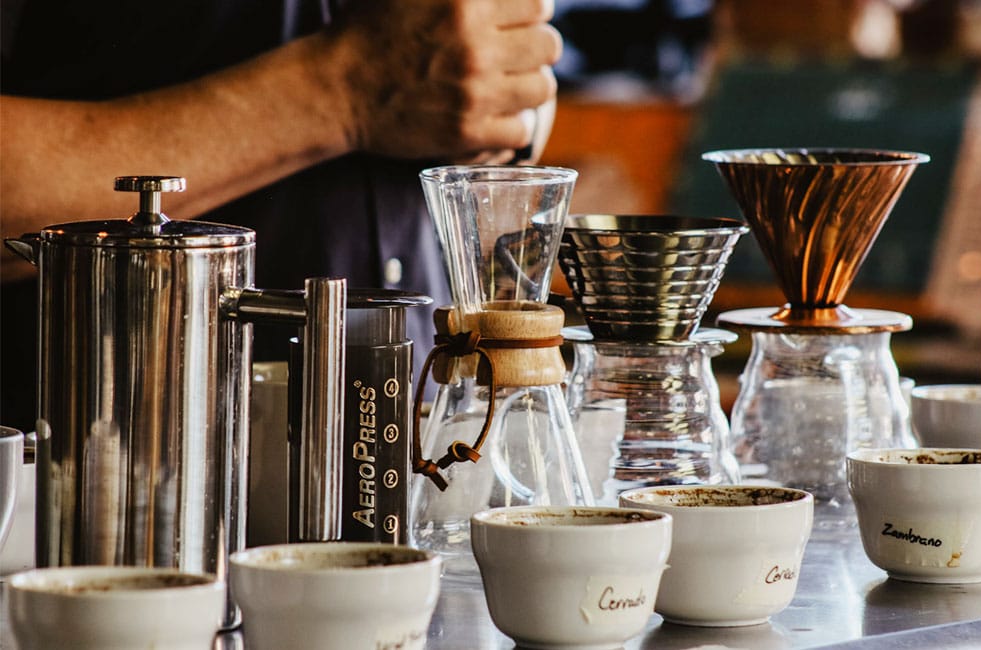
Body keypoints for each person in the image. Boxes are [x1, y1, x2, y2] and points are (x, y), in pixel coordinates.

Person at [0, 0, 562, 431]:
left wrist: (499, 104)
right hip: (96, 464)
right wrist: (347, 87)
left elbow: (506, 66)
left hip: (417, 441)